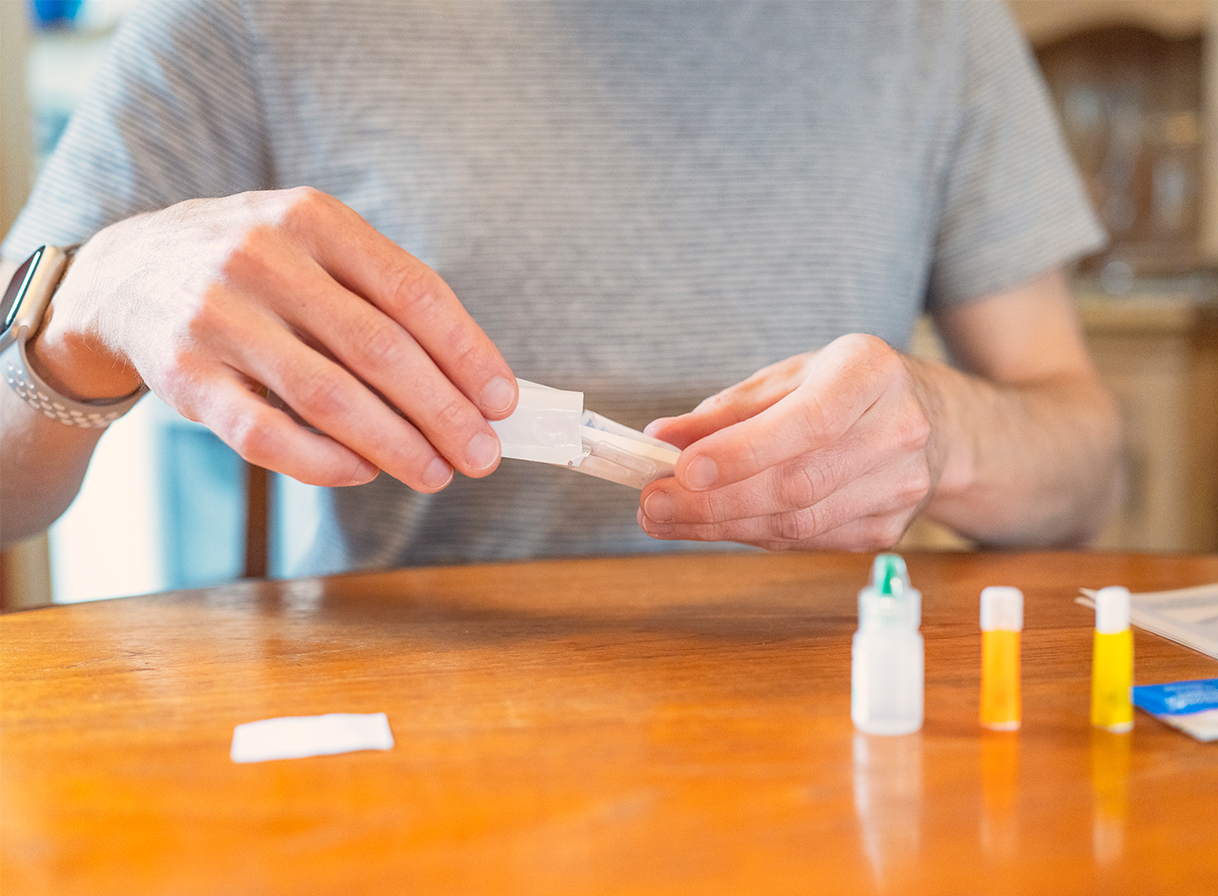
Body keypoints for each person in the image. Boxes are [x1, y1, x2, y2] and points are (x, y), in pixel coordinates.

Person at [0, 0, 1123, 573]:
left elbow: (1085, 472)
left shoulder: (934, 23)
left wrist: (947, 432)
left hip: (835, 739)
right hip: (409, 741)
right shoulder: (254, 16)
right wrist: (91, 306)